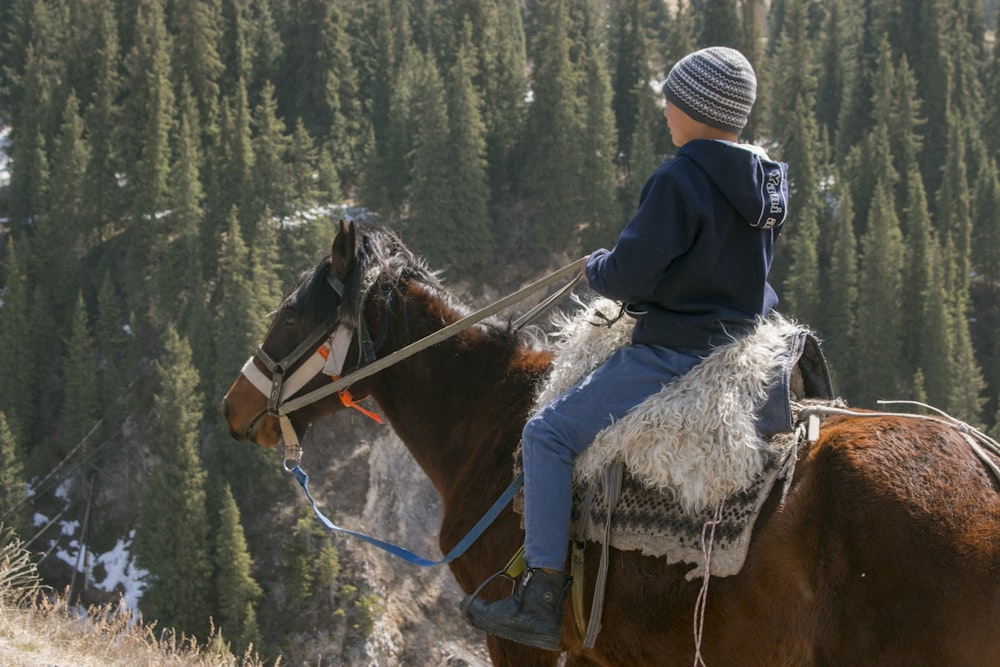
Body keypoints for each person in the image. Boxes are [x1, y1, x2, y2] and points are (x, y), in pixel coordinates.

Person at [462, 46, 789, 651]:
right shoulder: (767, 180)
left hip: (677, 350)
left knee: (547, 435)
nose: (666, 108)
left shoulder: (679, 178)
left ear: (696, 107)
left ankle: (541, 594)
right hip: (745, 344)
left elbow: (630, 278)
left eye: (674, 97)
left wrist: (599, 268)